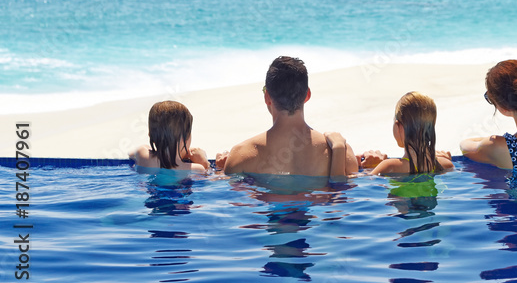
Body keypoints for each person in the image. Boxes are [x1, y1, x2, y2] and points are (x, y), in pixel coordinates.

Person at [218, 56, 358, 179]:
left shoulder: (240, 155)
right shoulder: (342, 155)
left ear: (267, 97)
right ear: (307, 95)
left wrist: (219, 170)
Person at [359, 91, 454, 176]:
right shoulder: (446, 164)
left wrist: (369, 168)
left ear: (398, 127)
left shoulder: (389, 167)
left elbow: (360, 181)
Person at [130, 100, 210, 174]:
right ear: (187, 137)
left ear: (150, 135)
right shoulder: (196, 169)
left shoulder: (142, 154)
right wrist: (204, 163)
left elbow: (131, 154)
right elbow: (207, 177)